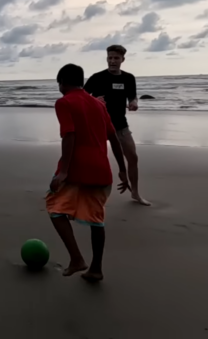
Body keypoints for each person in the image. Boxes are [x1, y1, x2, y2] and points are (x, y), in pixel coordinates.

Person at [47, 64, 130, 283]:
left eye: (59, 83)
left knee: (55, 209)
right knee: (96, 220)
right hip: (102, 172)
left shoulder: (64, 102)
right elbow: (114, 138)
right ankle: (96, 269)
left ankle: (76, 258)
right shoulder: (98, 104)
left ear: (62, 81)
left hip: (77, 170)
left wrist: (63, 171)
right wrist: (123, 170)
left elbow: (69, 135)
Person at [83, 45, 150, 206]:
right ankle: (81, 191)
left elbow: (132, 96)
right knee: (91, 160)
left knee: (133, 157)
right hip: (98, 126)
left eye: (116, 58)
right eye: (110, 58)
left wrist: (134, 103)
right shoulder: (97, 77)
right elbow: (81, 96)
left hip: (120, 125)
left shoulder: (128, 78)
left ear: (122, 60)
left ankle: (135, 193)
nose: (112, 61)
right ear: (107, 58)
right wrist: (94, 100)